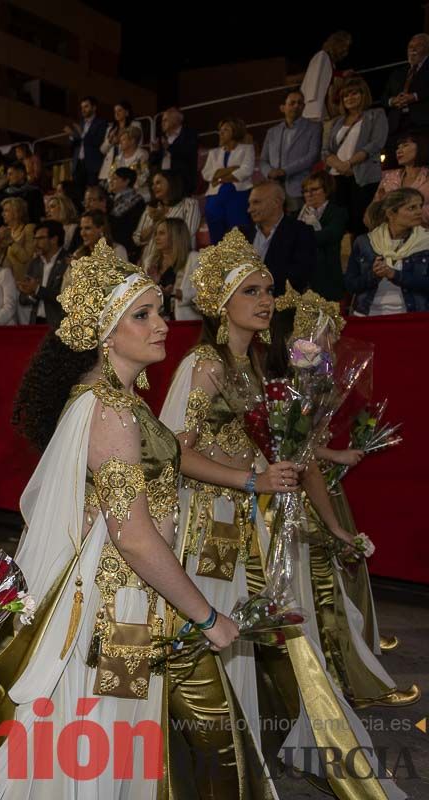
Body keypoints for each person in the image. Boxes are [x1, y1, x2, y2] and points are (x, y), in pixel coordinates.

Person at [0, 241, 264, 799]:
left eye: (159, 310)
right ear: (107, 333)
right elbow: (132, 535)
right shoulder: (110, 410)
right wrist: (206, 615)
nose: (162, 323)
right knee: (116, 745)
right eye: (144, 315)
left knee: (136, 746)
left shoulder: (118, 402)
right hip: (121, 612)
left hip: (137, 602)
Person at [156, 230, 405, 798]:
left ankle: (256, 748)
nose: (265, 300)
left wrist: (297, 471)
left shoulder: (255, 369)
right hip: (214, 522)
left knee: (267, 634)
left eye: (268, 290)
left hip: (259, 518)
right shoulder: (205, 365)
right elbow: (176, 449)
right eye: (251, 291)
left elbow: (269, 444)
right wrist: (250, 478)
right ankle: (212, 760)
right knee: (220, 633)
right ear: (221, 303)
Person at [274, 288, 419, 708]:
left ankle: (349, 660)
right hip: (297, 495)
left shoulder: (310, 371)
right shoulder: (294, 373)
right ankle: (342, 680)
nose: (329, 341)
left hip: (306, 484)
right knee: (322, 589)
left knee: (328, 585)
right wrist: (331, 454)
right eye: (322, 332)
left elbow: (300, 438)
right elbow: (293, 444)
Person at [345, 187, 429, 315]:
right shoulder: (365, 242)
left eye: (420, 206)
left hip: (413, 317)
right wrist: (373, 275)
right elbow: (351, 285)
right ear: (391, 214)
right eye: (412, 208)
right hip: (368, 316)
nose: (419, 211)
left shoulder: (426, 241)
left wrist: (395, 275)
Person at [325, 77, 389, 236]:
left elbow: (375, 143)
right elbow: (326, 151)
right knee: (341, 225)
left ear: (363, 95)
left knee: (362, 224)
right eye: (346, 95)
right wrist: (340, 165)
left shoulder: (376, 114)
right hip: (337, 177)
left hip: (363, 177)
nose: (350, 98)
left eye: (354, 93)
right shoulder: (337, 122)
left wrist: (349, 163)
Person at [246, 181, 316, 293]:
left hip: (282, 304)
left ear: (277, 202)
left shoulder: (300, 232)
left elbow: (299, 277)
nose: (250, 209)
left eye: (256, 202)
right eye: (249, 204)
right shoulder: (241, 233)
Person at [260, 90, 322, 210]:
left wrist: (285, 171)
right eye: (292, 103)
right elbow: (263, 160)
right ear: (282, 107)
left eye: (300, 103)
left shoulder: (314, 127)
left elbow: (313, 156)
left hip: (300, 187)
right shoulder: (272, 132)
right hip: (274, 189)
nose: (296, 106)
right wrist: (269, 172)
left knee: (300, 223)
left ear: (303, 106)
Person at [297, 172, 351, 300]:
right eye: (305, 191)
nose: (309, 194)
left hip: (328, 277)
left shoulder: (337, 212)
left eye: (314, 189)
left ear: (326, 191)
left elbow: (329, 236)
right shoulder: (297, 215)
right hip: (303, 279)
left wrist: (301, 238)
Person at [202, 117, 255, 244]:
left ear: (235, 131)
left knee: (237, 232)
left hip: (238, 193)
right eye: (220, 130)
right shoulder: (213, 153)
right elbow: (206, 173)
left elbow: (246, 171)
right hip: (215, 195)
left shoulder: (247, 149)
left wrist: (219, 177)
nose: (221, 133)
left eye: (226, 129)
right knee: (216, 229)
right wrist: (231, 169)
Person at [134, 169, 202, 268]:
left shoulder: (189, 204)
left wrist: (162, 218)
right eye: (152, 184)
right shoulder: (151, 208)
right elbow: (137, 238)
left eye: (158, 183)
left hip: (177, 264)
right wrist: (155, 223)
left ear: (171, 182)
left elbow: (187, 233)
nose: (153, 187)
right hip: (149, 264)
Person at [381, 34, 429, 151]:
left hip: (422, 125)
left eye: (418, 46)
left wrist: (415, 96)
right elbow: (383, 97)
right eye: (410, 46)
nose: (412, 49)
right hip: (396, 127)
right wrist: (392, 101)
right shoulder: (398, 73)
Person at [19, 219, 68, 327]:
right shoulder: (35, 264)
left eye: (40, 239)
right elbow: (22, 299)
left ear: (54, 239)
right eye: (35, 239)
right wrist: (31, 294)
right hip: (36, 323)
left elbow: (65, 298)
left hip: (59, 325)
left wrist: (37, 290)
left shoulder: (68, 263)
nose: (35, 243)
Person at [374, 132, 429, 226]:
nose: (398, 151)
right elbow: (374, 209)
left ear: (420, 147)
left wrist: (401, 212)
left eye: (405, 145)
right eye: (398, 147)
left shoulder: (427, 177)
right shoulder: (389, 177)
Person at [148, 217, 196, 319]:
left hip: (185, 322)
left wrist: (176, 294)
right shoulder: (151, 262)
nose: (156, 238)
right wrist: (153, 284)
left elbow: (205, 295)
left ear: (175, 236)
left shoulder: (193, 259)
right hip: (158, 322)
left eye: (161, 233)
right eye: (156, 234)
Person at [301, 31, 352, 122]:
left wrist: (341, 74)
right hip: (315, 105)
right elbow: (318, 79)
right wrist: (341, 74)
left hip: (323, 105)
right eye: (344, 46)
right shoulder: (322, 56)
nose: (345, 50)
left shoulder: (330, 62)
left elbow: (327, 76)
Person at [150, 106, 200, 197]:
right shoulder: (162, 138)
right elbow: (153, 162)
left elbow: (188, 154)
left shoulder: (189, 134)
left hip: (181, 182)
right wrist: (155, 151)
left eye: (165, 120)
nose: (162, 123)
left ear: (176, 120)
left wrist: (169, 148)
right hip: (163, 180)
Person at [66, 95, 109, 187]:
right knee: (77, 194)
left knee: (92, 192)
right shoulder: (81, 124)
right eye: (82, 107)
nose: (83, 110)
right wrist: (72, 136)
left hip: (92, 165)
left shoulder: (101, 123)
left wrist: (81, 133)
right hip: (78, 165)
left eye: (86, 106)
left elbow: (98, 141)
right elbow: (71, 145)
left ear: (94, 108)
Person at [97, 99, 141, 182]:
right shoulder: (111, 129)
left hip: (126, 163)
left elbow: (137, 143)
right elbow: (102, 150)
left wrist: (119, 140)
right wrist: (109, 141)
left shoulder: (135, 125)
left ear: (127, 112)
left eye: (119, 110)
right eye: (115, 111)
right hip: (108, 168)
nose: (116, 113)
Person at [99, 126, 150, 199]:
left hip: (139, 194)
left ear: (132, 141)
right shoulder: (118, 159)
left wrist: (128, 187)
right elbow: (111, 175)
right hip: (120, 194)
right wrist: (113, 185)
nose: (120, 143)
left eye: (123, 140)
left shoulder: (142, 155)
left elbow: (144, 175)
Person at [108, 166, 146, 258]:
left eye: (115, 178)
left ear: (126, 181)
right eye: (111, 178)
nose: (111, 181)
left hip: (126, 247)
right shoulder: (112, 199)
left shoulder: (136, 200)